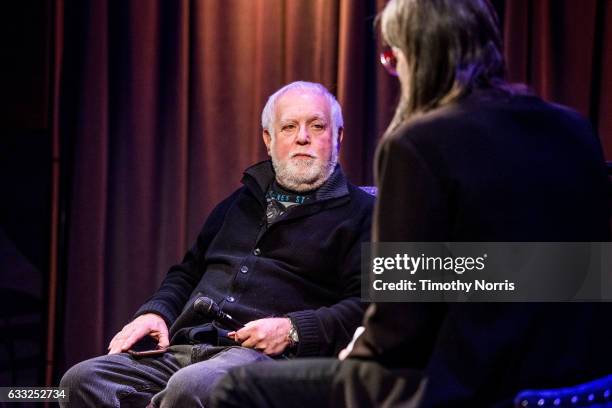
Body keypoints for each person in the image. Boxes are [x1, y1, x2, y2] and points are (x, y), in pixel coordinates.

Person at [209, 0, 612, 407]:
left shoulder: (418, 143)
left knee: (238, 388)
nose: (394, 69)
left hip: (469, 386)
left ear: (416, 54)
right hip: (579, 382)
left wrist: (357, 357)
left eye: (391, 56)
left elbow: (399, 331)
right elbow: (582, 273)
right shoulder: (573, 128)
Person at [59, 81, 374, 407]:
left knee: (191, 387)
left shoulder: (364, 214)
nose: (302, 137)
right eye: (289, 126)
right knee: (80, 382)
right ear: (269, 140)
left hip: (264, 362)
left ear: (337, 137)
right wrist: (156, 312)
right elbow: (187, 272)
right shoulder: (239, 202)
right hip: (187, 347)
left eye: (317, 126)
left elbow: (372, 308)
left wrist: (294, 329)